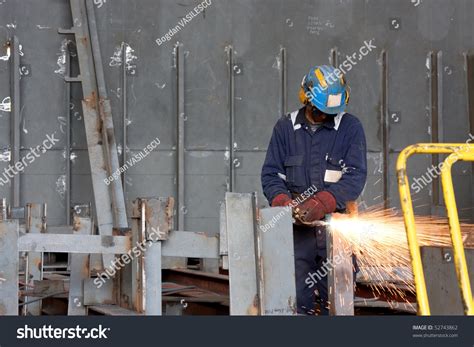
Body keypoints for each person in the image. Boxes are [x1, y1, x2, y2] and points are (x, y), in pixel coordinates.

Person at [261, 65, 367, 315]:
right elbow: (271, 174)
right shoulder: (285, 128)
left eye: (331, 112)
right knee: (296, 301)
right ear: (306, 100)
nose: (325, 117)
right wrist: (282, 202)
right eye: (320, 112)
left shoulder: (350, 128)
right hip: (296, 237)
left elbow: (355, 176)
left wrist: (323, 202)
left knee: (338, 304)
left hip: (337, 232)